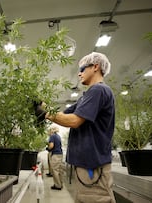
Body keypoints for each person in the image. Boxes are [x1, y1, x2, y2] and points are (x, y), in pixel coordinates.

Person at [36, 52, 116, 202]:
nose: (79, 74)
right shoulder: (86, 96)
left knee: (94, 198)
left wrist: (45, 113)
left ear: (95, 67)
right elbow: (62, 115)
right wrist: (42, 105)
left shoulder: (98, 90)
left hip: (92, 163)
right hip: (87, 162)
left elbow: (73, 121)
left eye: (82, 69)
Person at [46, 125, 63, 190]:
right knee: (59, 170)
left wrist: (48, 148)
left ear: (51, 130)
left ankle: (57, 185)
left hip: (55, 154)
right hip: (60, 154)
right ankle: (60, 184)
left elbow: (51, 146)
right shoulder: (58, 136)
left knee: (55, 170)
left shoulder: (52, 136)